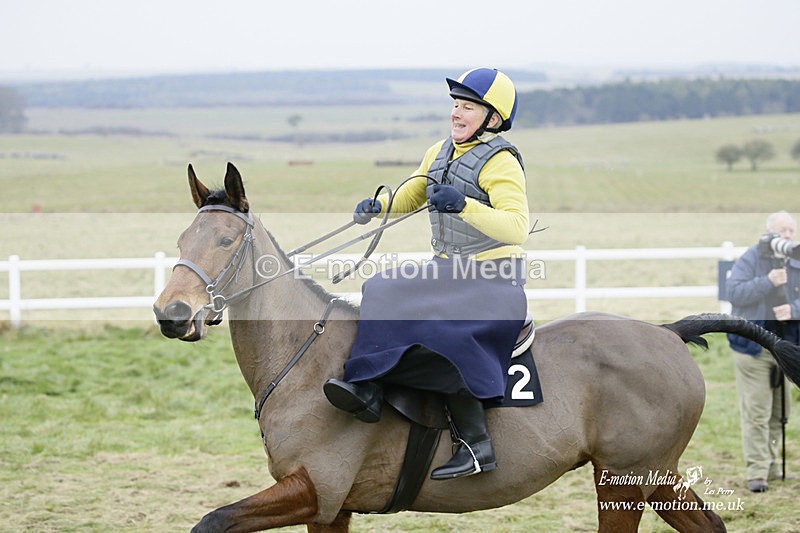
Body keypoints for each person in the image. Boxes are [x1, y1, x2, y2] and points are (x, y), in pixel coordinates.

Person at [323, 68, 530, 480]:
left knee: (440, 333)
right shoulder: (438, 151)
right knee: (380, 287)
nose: (457, 113)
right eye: (455, 104)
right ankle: (367, 387)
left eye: (467, 106)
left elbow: (516, 227)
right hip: (448, 269)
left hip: (493, 277)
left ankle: (476, 444)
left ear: (492, 118)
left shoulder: (501, 162)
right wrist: (378, 207)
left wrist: (463, 205)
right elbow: (410, 197)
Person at [726, 211, 799, 493]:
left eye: (792, 230)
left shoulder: (796, 258)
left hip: (787, 348)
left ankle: (774, 468)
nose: (788, 236)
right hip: (753, 348)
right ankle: (757, 473)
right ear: (769, 234)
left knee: (780, 413)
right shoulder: (751, 258)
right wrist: (768, 281)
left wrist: (793, 309)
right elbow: (734, 293)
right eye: (783, 231)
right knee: (757, 411)